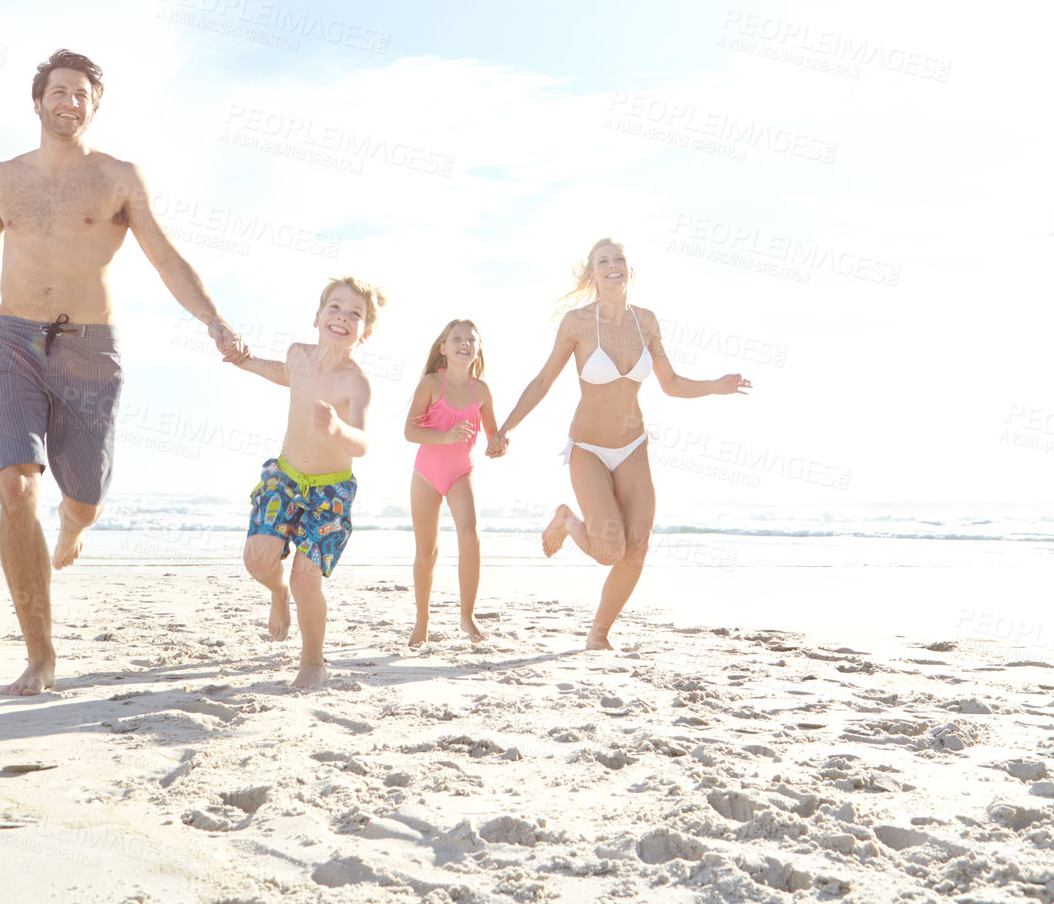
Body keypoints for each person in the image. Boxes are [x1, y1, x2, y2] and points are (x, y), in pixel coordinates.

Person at [0, 49, 243, 697]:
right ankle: (40, 654)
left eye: (81, 94)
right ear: (38, 99)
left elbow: (165, 258)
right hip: (11, 343)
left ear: (93, 106)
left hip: (89, 350)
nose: (69, 102)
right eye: (59, 92)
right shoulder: (1, 179)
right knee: (16, 489)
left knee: (84, 500)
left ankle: (75, 526)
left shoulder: (118, 178)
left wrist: (213, 321)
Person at [487, 238, 751, 650]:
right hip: (589, 448)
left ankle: (598, 635)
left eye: (620, 259)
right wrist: (506, 428)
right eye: (603, 261)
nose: (613, 265)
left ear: (630, 269)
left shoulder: (646, 322)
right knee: (610, 550)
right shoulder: (577, 322)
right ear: (592, 274)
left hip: (633, 447)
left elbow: (672, 383)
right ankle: (567, 521)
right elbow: (543, 382)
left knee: (637, 548)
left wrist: (715, 387)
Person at [229, 276, 383, 690]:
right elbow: (286, 374)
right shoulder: (298, 354)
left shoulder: (356, 382)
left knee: (306, 580)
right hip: (285, 478)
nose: (342, 317)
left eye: (355, 314)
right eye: (335, 307)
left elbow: (364, 441)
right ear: (317, 316)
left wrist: (337, 430)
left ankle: (313, 659)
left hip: (330, 492)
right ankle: (277, 593)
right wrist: (244, 361)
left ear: (364, 333)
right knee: (257, 559)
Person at [404, 318, 500, 646]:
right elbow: (410, 432)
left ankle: (467, 616)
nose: (464, 343)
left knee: (471, 536)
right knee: (426, 552)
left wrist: (498, 445)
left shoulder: (482, 391)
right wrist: (445, 436)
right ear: (443, 348)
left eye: (471, 339)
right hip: (426, 475)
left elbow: (493, 438)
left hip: (461, 473)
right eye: (456, 338)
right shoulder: (432, 384)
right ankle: (422, 621)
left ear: (478, 349)